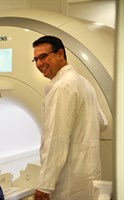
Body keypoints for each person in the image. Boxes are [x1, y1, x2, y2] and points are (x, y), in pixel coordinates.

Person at [31, 36, 108, 200]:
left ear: (60, 54)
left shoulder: (62, 87)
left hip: (69, 181)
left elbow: (56, 139)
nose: (39, 64)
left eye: (44, 56)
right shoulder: (83, 83)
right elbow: (102, 123)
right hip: (88, 175)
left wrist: (45, 185)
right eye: (36, 59)